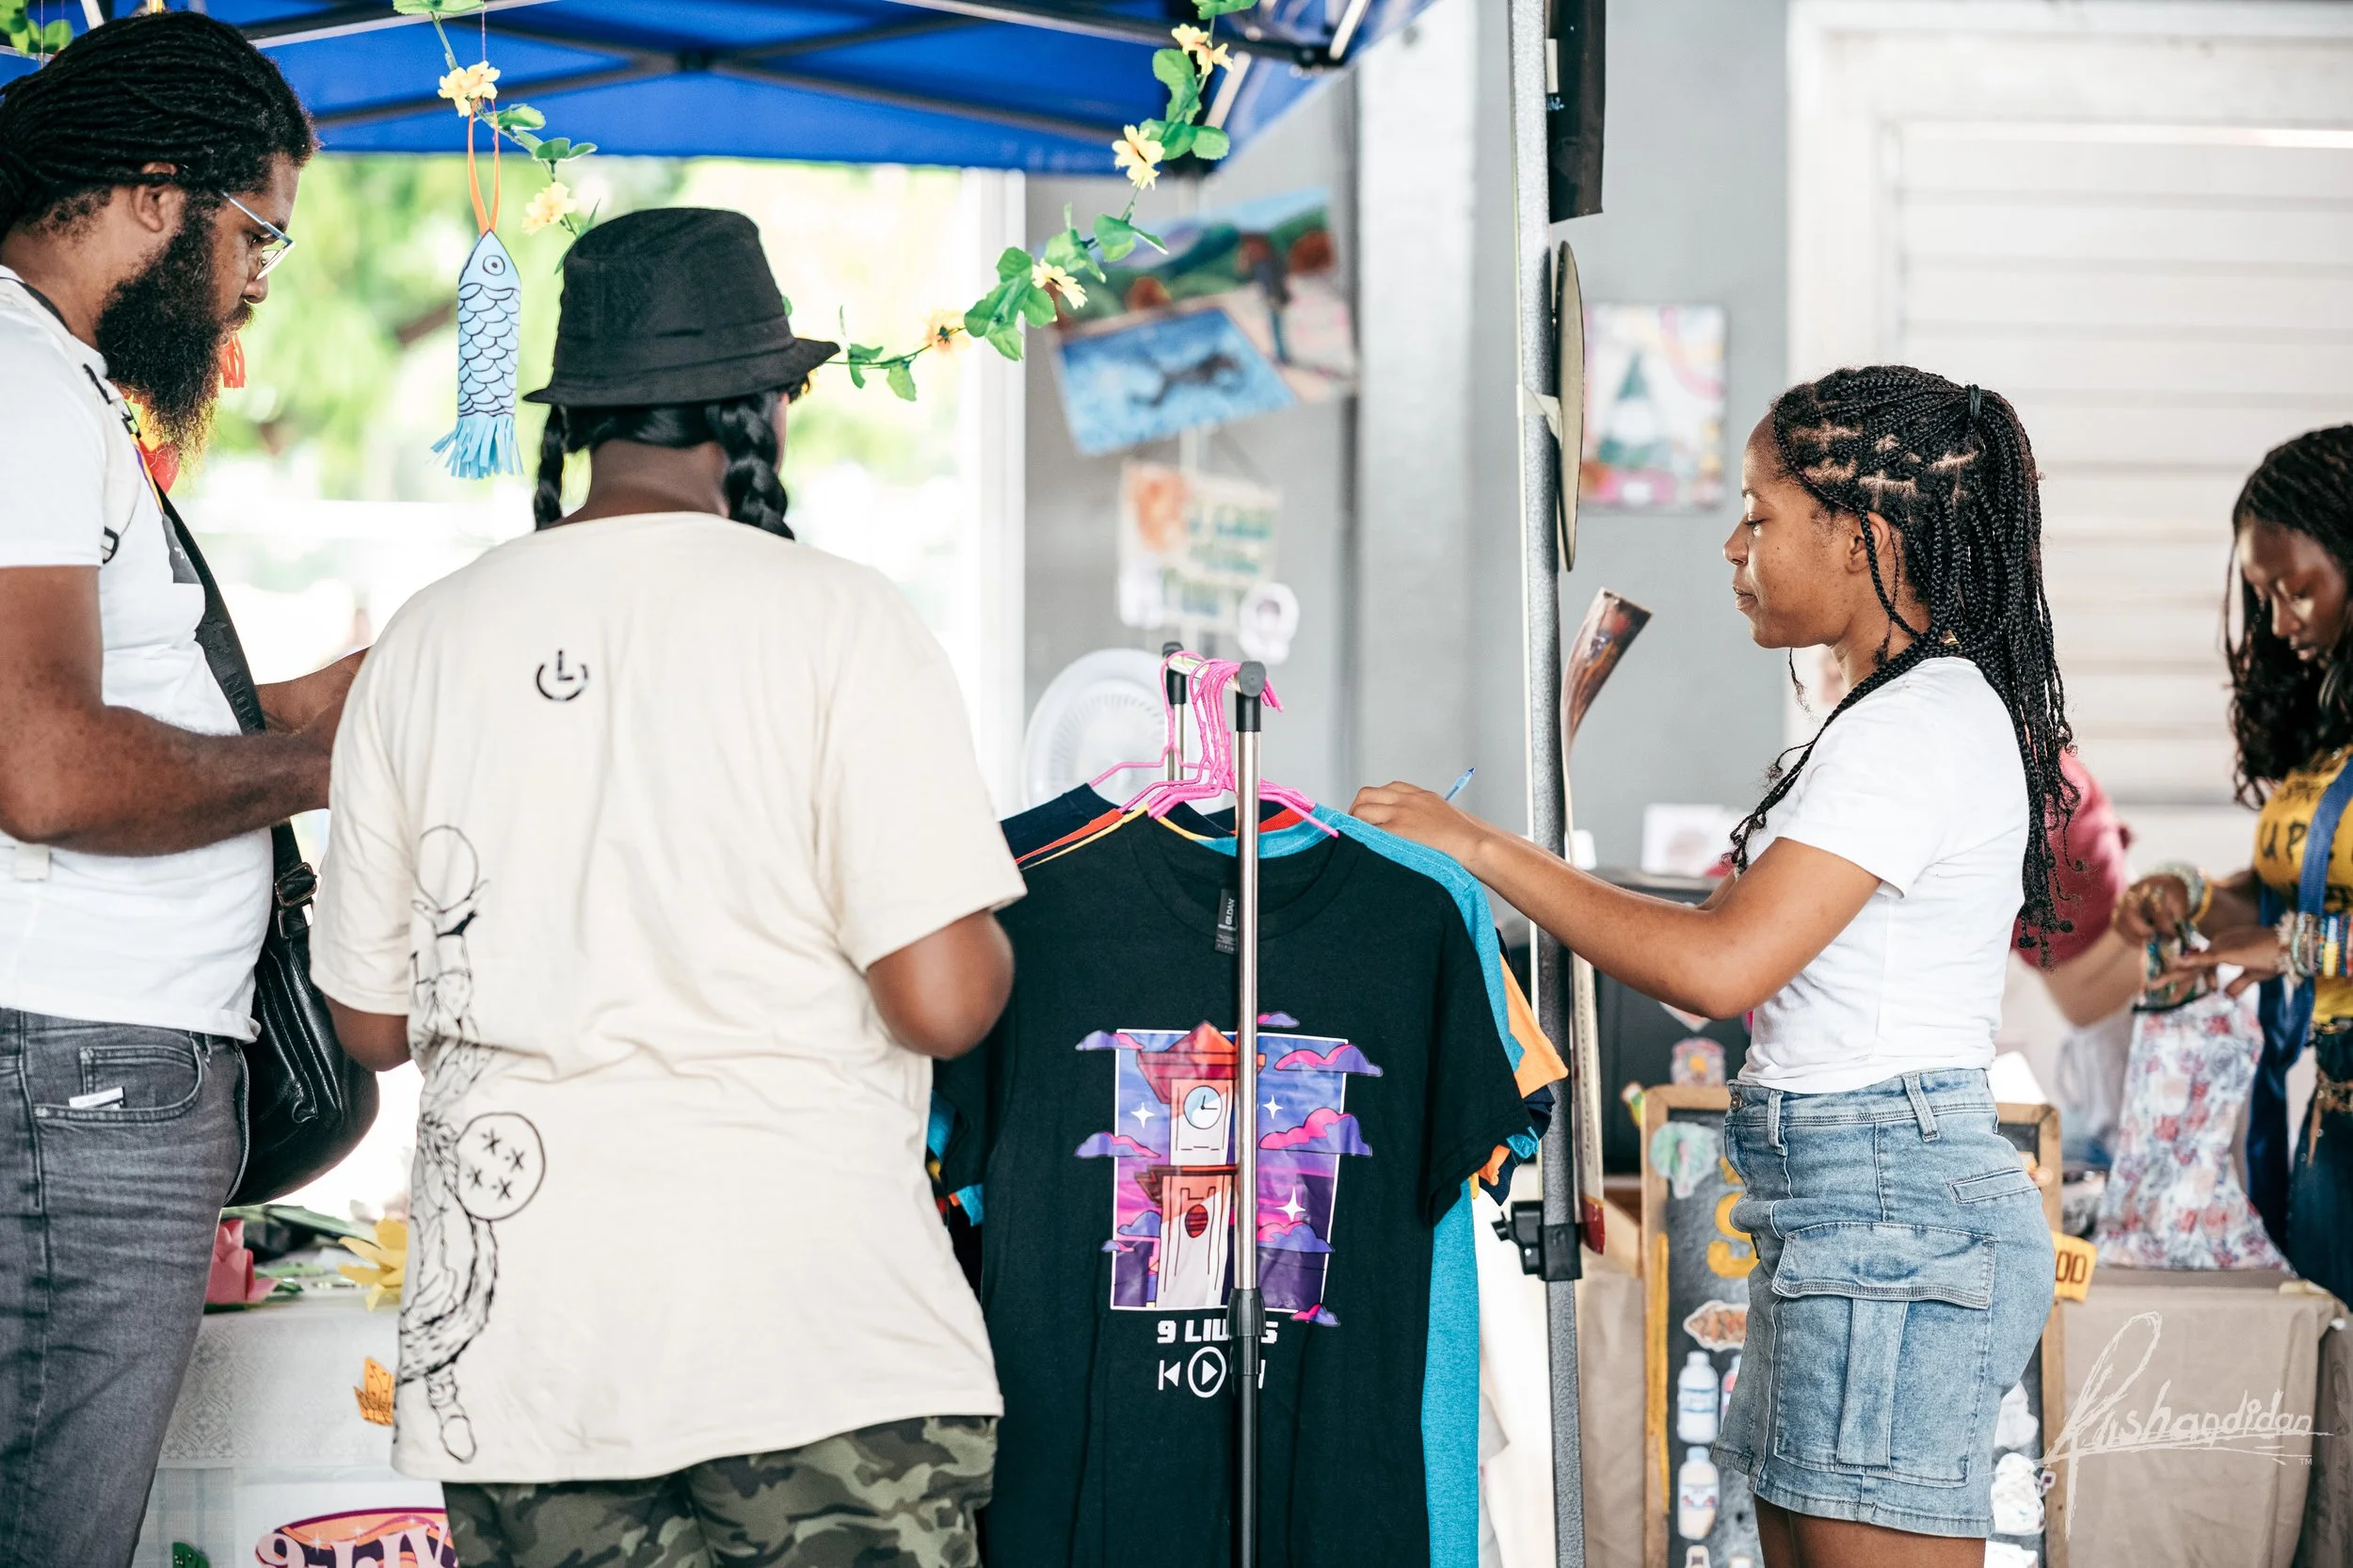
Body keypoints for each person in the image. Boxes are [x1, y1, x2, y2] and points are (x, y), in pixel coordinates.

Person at [310, 208, 1024, 1568]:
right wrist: (990, 930)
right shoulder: (841, 620)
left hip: (527, 1353)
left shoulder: (428, 641)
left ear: (574, 420)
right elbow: (939, 999)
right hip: (812, 1340)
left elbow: (369, 1024)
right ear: (770, 403)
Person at [1357, 366, 2064, 1566]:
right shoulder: (1887, 716)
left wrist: (1476, 845)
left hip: (1889, 1212)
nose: (1734, 546)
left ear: (1861, 536)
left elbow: (1716, 963)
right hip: (1842, 1210)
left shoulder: (1916, 727)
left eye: (1759, 512)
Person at [0, 16, 356, 1566]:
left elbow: (92, 716)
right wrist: (336, 757)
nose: (259, 278)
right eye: (252, 232)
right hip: (70, 1082)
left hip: (82, 1078)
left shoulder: (47, 384)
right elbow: (49, 765)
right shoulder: (14, 383)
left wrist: (305, 705)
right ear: (157, 189)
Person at [2125, 425, 2353, 1300]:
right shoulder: (2329, 724)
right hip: (2325, 1112)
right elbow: (2280, 900)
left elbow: (2288, 934)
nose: (2283, 621)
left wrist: (2292, 949)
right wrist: (2187, 896)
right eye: (2264, 598)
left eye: (2300, 590)